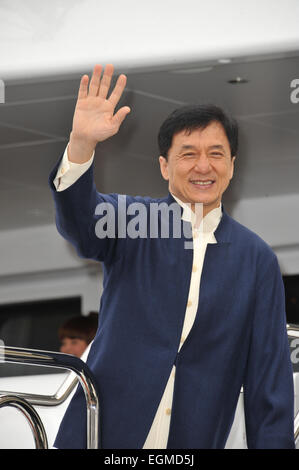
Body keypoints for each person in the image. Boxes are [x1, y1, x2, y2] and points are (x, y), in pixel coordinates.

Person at [49, 64, 295, 449]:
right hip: (100, 437)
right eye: (188, 154)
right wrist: (81, 145)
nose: (203, 166)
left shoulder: (257, 258)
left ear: (232, 166)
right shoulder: (137, 222)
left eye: (216, 153)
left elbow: (270, 383)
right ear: (164, 166)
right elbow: (80, 221)